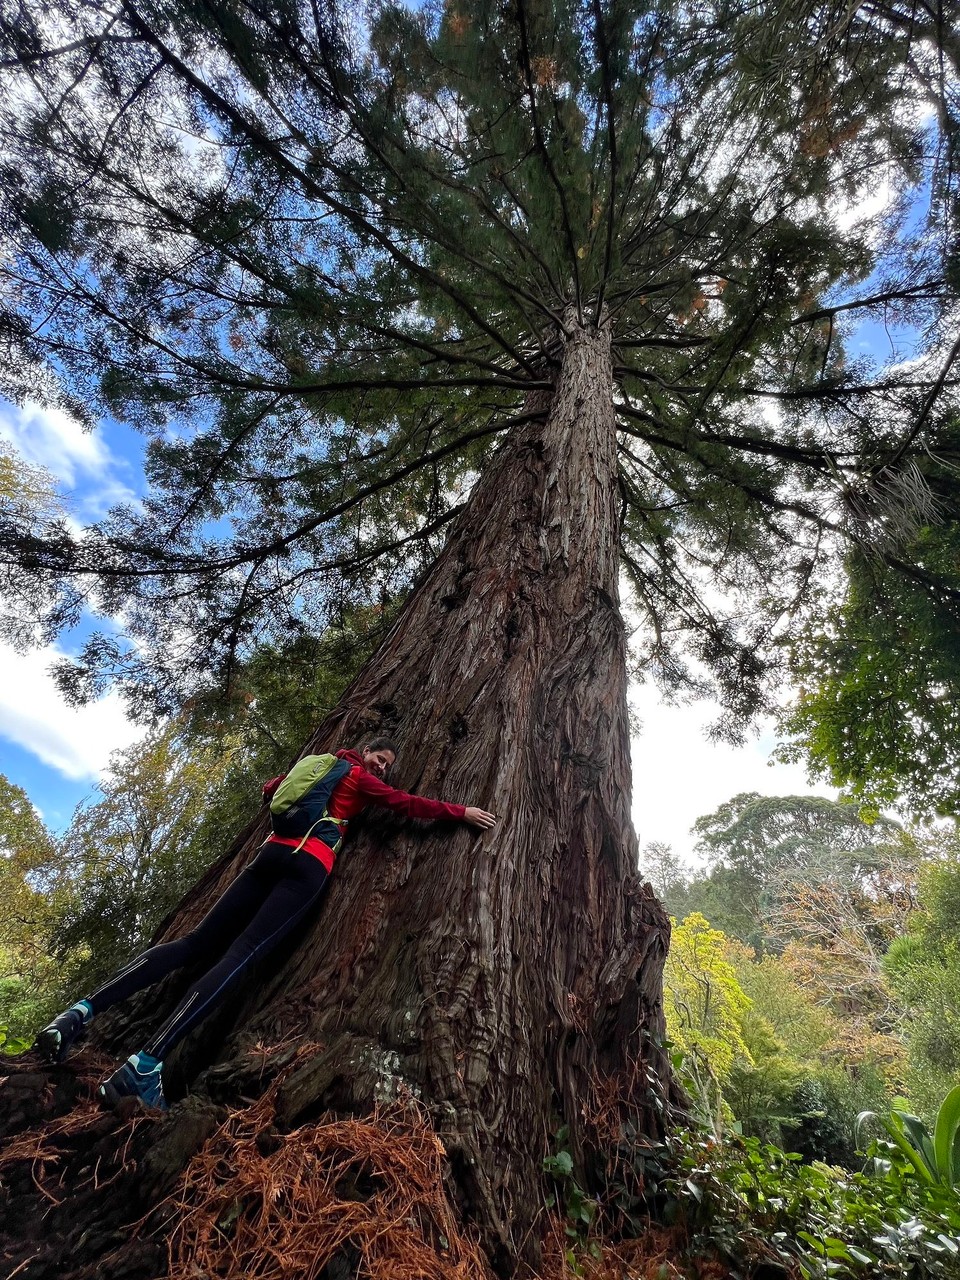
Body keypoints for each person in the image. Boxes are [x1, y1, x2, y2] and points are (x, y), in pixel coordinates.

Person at [35, 736, 496, 1109]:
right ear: (365, 752)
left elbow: (270, 789)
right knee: (242, 953)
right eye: (380, 759)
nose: (381, 768)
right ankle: (146, 1063)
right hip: (307, 864)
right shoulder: (356, 776)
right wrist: (460, 812)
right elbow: (405, 804)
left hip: (269, 853)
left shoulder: (316, 763)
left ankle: (79, 1014)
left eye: (385, 766)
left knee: (196, 944)